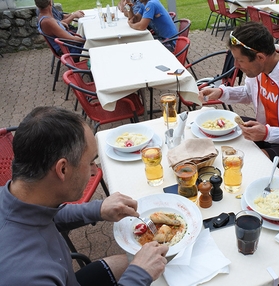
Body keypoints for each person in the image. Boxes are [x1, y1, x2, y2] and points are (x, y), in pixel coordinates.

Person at [0, 106, 169, 285]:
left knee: (144, 261)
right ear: (62, 169)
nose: (95, 172)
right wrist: (138, 275)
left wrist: (98, 209)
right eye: (90, 162)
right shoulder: (27, 276)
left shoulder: (19, 198)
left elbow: (44, 215)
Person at [198, 22, 279, 177]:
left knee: (247, 167)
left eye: (240, 60)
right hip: (266, 132)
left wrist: (267, 133)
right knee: (219, 137)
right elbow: (249, 92)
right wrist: (221, 92)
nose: (236, 66)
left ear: (260, 57)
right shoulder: (260, 67)